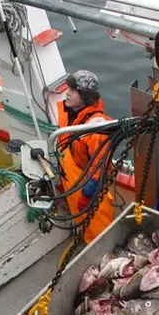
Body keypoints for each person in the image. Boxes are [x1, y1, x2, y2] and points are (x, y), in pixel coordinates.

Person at [56, 70, 115, 243]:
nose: (67, 92)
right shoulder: (71, 115)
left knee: (100, 236)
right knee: (85, 228)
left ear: (85, 96)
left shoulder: (97, 129)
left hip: (90, 192)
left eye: (73, 90)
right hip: (73, 184)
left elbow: (100, 168)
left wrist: (88, 195)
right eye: (68, 88)